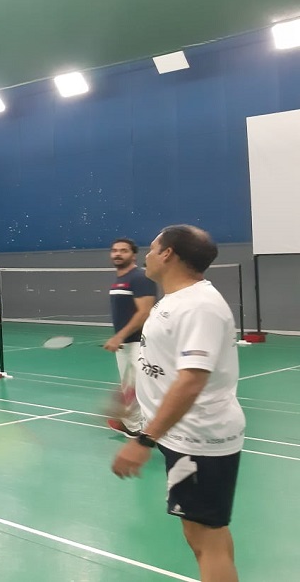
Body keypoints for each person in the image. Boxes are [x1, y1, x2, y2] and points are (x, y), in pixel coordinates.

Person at [111, 225, 245, 582]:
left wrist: (143, 440)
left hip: (199, 438)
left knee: (206, 539)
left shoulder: (199, 306)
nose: (148, 255)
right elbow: (166, 367)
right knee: (205, 532)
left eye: (153, 248)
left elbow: (192, 381)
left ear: (168, 253)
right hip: (182, 436)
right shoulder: (174, 300)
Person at [103, 238, 157, 438]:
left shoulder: (139, 278)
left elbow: (144, 312)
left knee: (140, 387)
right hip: (125, 344)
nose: (118, 254)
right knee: (129, 387)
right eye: (114, 250)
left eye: (123, 250)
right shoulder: (119, 279)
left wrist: (119, 336)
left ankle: (138, 426)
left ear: (133, 255)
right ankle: (131, 423)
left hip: (140, 343)